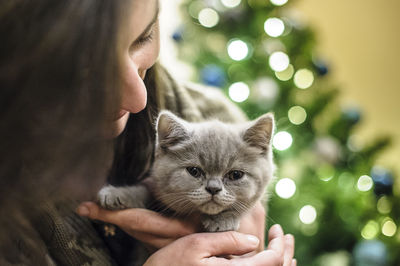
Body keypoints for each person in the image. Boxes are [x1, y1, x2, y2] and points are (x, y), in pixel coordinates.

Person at [0, 0, 296, 265]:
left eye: (144, 37)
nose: (139, 99)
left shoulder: (214, 112)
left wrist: (244, 239)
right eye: (92, 69)